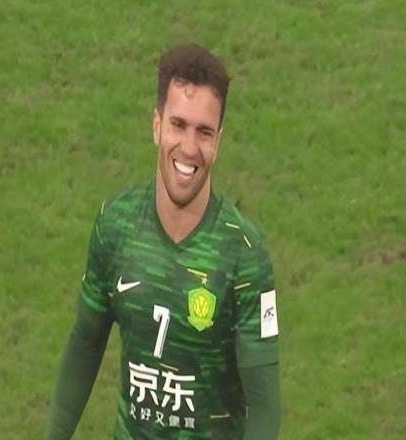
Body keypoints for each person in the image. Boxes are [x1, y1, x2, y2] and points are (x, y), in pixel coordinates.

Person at [45, 43, 280, 440]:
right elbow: (85, 345)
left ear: (218, 141)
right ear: (156, 126)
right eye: (178, 125)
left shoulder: (243, 256)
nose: (189, 147)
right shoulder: (116, 226)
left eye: (204, 132)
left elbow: (264, 407)